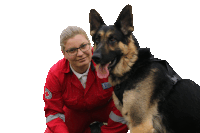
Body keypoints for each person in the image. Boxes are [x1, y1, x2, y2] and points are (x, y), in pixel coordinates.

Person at [44, 26, 128, 133]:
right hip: (76, 114)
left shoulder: (108, 61)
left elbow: (125, 95)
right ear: (64, 53)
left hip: (106, 108)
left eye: (83, 46)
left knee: (128, 105)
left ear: (90, 45)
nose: (80, 54)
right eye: (72, 50)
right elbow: (53, 113)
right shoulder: (55, 74)